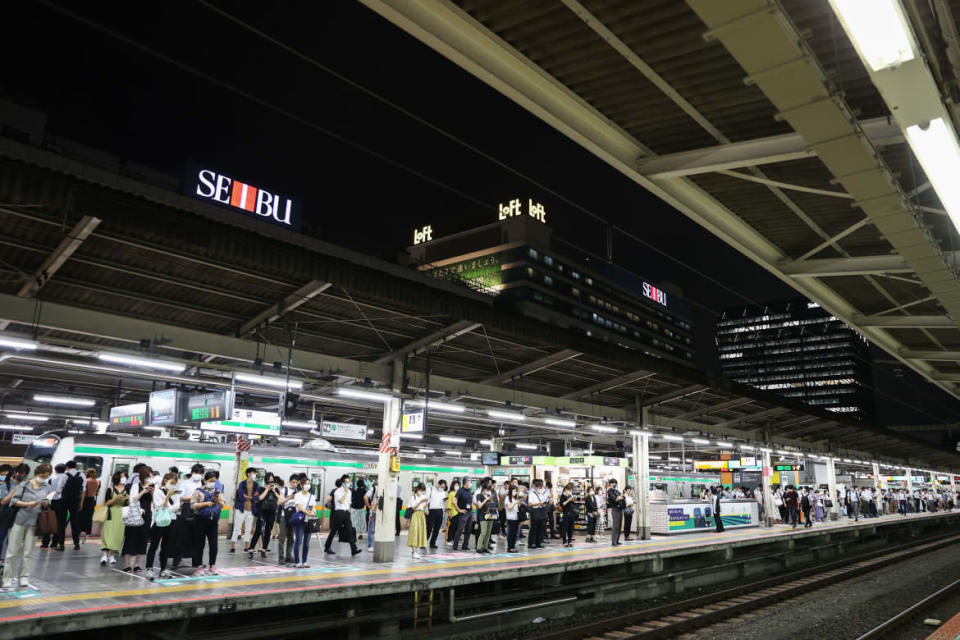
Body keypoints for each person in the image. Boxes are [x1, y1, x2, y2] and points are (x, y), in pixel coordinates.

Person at [1, 463, 52, 591]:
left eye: (46, 476)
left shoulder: (47, 487)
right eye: (42, 475)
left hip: (35, 522)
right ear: (37, 473)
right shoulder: (24, 485)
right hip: (19, 520)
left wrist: (45, 503)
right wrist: (28, 504)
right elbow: (13, 501)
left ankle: (24, 577)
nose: (43, 478)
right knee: (12, 552)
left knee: (28, 552)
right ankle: (7, 579)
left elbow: (47, 501)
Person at [146, 472, 179, 579]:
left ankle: (163, 569)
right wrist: (168, 497)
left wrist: (167, 507)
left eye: (175, 483)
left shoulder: (176, 493)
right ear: (165, 481)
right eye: (172, 482)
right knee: (154, 545)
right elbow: (159, 506)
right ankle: (149, 569)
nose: (173, 485)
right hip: (160, 520)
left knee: (166, 545)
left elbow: (177, 506)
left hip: (172, 520)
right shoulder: (158, 491)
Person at [122, 467, 154, 572]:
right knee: (130, 538)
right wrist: (143, 492)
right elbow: (132, 500)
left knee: (143, 540)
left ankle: (137, 564)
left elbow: (155, 502)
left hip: (147, 515)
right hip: (135, 514)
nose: (150, 478)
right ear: (144, 476)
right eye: (149, 476)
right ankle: (127, 564)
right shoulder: (136, 486)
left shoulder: (153, 487)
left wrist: (153, 492)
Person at [172, 463, 204, 570]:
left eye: (200, 473)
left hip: (199, 511)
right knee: (182, 537)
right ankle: (176, 561)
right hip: (187, 510)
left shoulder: (203, 483)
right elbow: (180, 496)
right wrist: (193, 498)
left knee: (197, 538)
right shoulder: (185, 483)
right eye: (196, 473)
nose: (198, 475)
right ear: (192, 473)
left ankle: (197, 562)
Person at [192, 471, 223, 576]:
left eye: (214, 481)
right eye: (210, 481)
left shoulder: (217, 491)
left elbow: (222, 505)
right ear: (205, 480)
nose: (212, 483)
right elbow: (193, 505)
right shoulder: (198, 491)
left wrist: (217, 500)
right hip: (200, 520)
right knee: (199, 544)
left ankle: (212, 565)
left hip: (213, 521)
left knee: (214, 544)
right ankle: (199, 566)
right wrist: (205, 503)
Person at [0, 464, 29, 566]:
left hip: (20, 516)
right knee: (2, 537)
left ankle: (4, 560)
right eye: (20, 473)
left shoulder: (27, 486)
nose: (21, 475)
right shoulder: (6, 485)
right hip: (6, 515)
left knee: (12, 540)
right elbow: (3, 502)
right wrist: (13, 491)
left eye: (24, 474)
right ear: (15, 473)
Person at [325, 474, 361, 556]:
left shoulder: (350, 492)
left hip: (346, 513)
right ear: (343, 483)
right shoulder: (337, 491)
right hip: (339, 513)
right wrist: (346, 492)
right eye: (346, 482)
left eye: (349, 482)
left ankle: (353, 549)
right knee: (333, 531)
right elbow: (341, 501)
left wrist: (349, 511)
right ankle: (327, 547)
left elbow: (348, 503)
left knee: (350, 531)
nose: (348, 483)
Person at [54, 460, 85, 551]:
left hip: (64, 501)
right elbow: (84, 489)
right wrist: (81, 503)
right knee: (75, 522)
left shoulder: (64, 476)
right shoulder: (82, 475)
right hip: (75, 501)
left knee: (61, 522)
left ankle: (61, 545)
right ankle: (76, 544)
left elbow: (59, 490)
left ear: (67, 467)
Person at [231, 467, 260, 558]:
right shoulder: (242, 484)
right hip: (241, 509)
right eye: (253, 473)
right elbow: (241, 495)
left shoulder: (256, 485)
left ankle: (247, 546)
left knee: (248, 529)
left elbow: (257, 497)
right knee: (237, 528)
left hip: (251, 509)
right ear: (248, 474)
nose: (254, 475)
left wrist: (249, 497)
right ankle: (232, 546)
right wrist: (251, 497)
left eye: (255, 473)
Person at [100, 472, 128, 566]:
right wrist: (116, 498)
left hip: (121, 515)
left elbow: (127, 504)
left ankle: (112, 555)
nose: (124, 478)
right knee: (107, 534)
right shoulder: (110, 489)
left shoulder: (126, 489)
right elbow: (107, 503)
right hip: (111, 514)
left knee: (117, 535)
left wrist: (128, 499)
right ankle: (104, 555)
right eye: (123, 477)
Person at [250, 472, 279, 558]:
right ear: (266, 480)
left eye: (272, 479)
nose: (271, 481)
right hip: (262, 512)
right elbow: (260, 498)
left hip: (272, 513)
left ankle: (264, 549)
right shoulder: (261, 489)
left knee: (268, 532)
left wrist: (274, 491)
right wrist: (267, 489)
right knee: (258, 530)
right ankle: (251, 549)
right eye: (269, 479)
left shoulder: (276, 490)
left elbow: (280, 499)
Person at [291, 473, 317, 568]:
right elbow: (299, 507)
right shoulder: (297, 495)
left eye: (309, 483)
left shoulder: (312, 496)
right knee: (298, 541)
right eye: (306, 483)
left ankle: (305, 561)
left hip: (309, 521)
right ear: (301, 485)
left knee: (306, 543)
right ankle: (297, 561)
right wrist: (307, 513)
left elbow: (313, 507)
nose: (308, 485)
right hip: (300, 521)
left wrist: (313, 512)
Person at [42, 463, 66, 550]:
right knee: (59, 524)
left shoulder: (50, 480)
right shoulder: (66, 479)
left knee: (48, 522)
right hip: (62, 503)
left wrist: (44, 504)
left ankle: (45, 542)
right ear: (65, 470)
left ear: (55, 470)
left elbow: (46, 493)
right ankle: (55, 543)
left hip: (51, 503)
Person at [277, 474, 299, 564]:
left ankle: (288, 556)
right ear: (290, 482)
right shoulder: (284, 490)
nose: (294, 484)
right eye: (293, 482)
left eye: (296, 483)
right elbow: (279, 502)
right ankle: (281, 557)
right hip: (284, 516)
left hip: (294, 517)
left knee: (291, 538)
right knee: (282, 538)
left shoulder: (299, 492)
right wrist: (289, 498)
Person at [407, 483, 429, 559]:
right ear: (417, 489)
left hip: (422, 515)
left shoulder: (424, 497)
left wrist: (426, 506)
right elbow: (413, 508)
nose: (421, 492)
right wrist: (421, 501)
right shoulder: (413, 497)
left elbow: (425, 509)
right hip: (415, 515)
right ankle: (414, 552)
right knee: (414, 532)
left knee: (420, 533)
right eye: (420, 490)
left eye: (423, 491)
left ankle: (416, 551)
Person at [452, 478, 474, 551]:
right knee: (460, 530)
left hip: (470, 512)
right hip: (463, 513)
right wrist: (459, 510)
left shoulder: (469, 491)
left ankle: (465, 545)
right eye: (469, 482)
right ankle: (455, 546)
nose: (470, 483)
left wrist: (472, 513)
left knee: (468, 530)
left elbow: (470, 503)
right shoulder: (460, 491)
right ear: (465, 483)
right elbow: (454, 501)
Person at [527, 479, 549, 549]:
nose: (541, 489)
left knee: (541, 528)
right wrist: (538, 503)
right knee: (534, 528)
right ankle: (531, 543)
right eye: (540, 487)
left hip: (541, 511)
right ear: (536, 487)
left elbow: (543, 502)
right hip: (535, 511)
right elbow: (530, 504)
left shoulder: (541, 494)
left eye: (541, 487)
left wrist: (543, 504)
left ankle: (538, 542)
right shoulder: (532, 494)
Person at [79, 468, 99, 541]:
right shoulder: (97, 482)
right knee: (89, 518)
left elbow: (83, 492)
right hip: (92, 501)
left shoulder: (86, 481)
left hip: (85, 501)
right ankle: (86, 537)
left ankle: (78, 535)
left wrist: (81, 502)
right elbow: (97, 492)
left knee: (81, 518)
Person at [475, 483, 496, 554]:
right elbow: (480, 506)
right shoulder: (479, 496)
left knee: (488, 533)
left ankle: (485, 547)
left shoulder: (489, 496)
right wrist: (486, 499)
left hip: (490, 515)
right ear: (483, 489)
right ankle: (478, 547)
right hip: (483, 516)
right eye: (487, 489)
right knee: (483, 532)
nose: (487, 491)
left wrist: (490, 500)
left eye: (489, 489)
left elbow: (492, 505)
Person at [426, 479, 447, 550]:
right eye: (441, 486)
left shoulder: (443, 492)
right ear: (438, 484)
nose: (442, 488)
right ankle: (424, 543)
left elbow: (443, 503)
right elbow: (426, 500)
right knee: (429, 528)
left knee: (437, 528)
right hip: (431, 511)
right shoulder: (430, 489)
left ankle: (432, 543)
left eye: (443, 487)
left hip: (440, 511)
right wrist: (426, 509)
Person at [558, 483, 577, 547]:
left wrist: (573, 498)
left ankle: (570, 541)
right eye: (569, 489)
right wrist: (568, 500)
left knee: (571, 528)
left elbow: (573, 503)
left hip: (571, 513)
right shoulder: (563, 496)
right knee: (565, 528)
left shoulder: (570, 495)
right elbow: (562, 504)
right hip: (566, 513)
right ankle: (564, 542)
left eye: (571, 489)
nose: (570, 491)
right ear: (566, 489)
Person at [607, 480, 625, 546]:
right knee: (615, 525)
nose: (614, 484)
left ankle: (617, 540)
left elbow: (622, 497)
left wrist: (620, 497)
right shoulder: (609, 491)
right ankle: (613, 541)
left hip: (620, 509)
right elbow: (615, 499)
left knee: (619, 525)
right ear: (610, 484)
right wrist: (619, 497)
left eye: (615, 483)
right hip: (615, 509)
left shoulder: (617, 491)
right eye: (612, 483)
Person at [504, 485, 521, 553]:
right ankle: (510, 547)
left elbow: (517, 508)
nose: (515, 492)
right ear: (511, 491)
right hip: (510, 518)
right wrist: (515, 503)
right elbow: (509, 508)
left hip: (516, 518)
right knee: (511, 533)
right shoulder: (507, 498)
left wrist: (518, 502)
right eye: (514, 491)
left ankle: (513, 546)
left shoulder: (514, 499)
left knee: (514, 533)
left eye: (516, 491)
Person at [364, 481, 379, 552]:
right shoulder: (375, 489)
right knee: (372, 529)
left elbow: (365, 497)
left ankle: (370, 546)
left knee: (371, 529)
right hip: (374, 512)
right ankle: (370, 545)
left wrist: (368, 506)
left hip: (373, 511)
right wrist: (370, 507)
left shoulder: (374, 488)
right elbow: (366, 497)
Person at [445, 480, 460, 546]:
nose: (457, 486)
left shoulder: (459, 493)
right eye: (455, 485)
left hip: (459, 512)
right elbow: (448, 504)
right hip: (453, 513)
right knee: (452, 527)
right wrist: (449, 512)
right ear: (453, 486)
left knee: (457, 527)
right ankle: (449, 540)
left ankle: (455, 540)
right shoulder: (451, 493)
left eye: (458, 485)